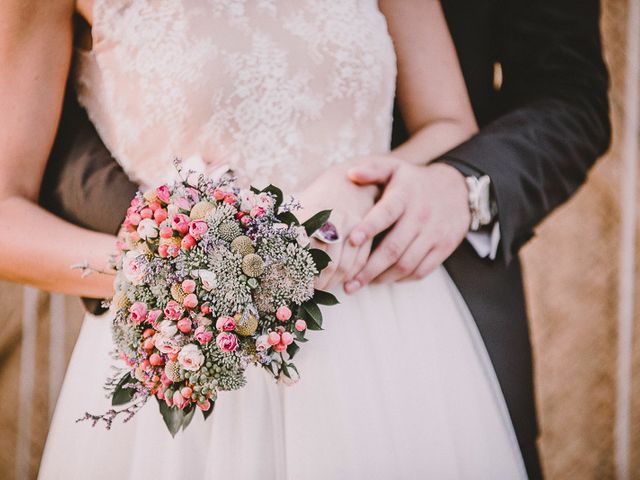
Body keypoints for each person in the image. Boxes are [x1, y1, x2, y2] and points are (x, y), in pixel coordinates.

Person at [1, 1, 609, 479]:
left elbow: (452, 121)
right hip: (196, 342)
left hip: (391, 325)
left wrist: (361, 185)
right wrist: (173, 273)